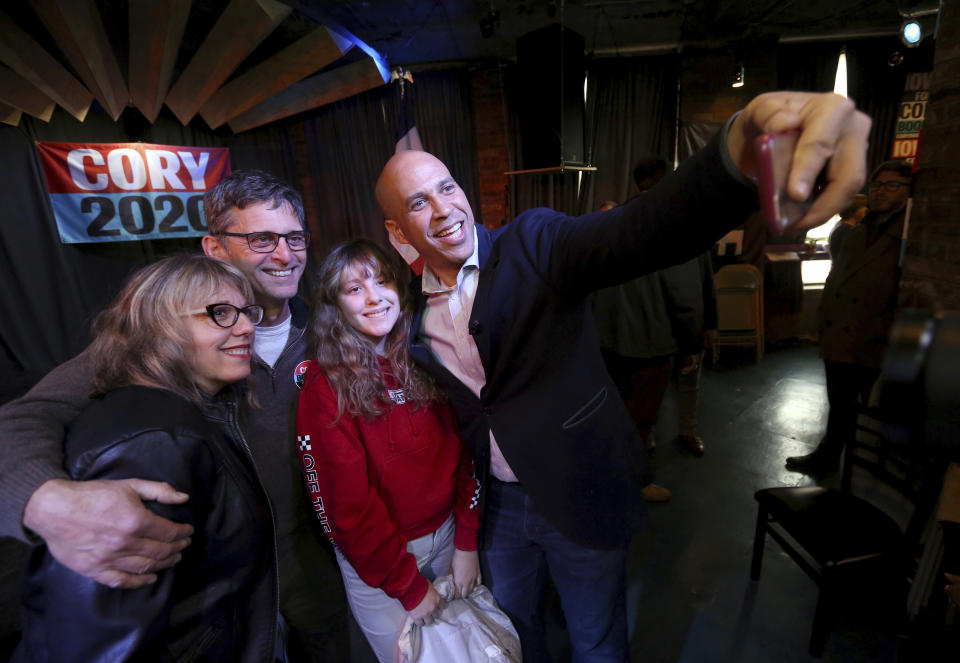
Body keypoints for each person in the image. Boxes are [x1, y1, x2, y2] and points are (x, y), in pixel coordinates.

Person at [376, 92, 870, 660]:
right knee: (512, 638)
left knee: (597, 642)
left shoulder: (534, 244)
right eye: (419, 203)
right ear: (397, 231)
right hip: (499, 513)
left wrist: (737, 154)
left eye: (447, 187)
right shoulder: (408, 313)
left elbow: (642, 230)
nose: (442, 209)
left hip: (579, 494)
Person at [0, 170, 351, 661]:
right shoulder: (154, 348)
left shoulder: (332, 332)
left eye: (294, 238)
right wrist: (43, 501)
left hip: (319, 574)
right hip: (222, 588)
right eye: (261, 238)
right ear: (215, 246)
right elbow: (23, 418)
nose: (284, 254)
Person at [13, 255, 280, 662]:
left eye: (246, 312)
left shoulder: (190, 409)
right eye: (220, 314)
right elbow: (100, 645)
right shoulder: (155, 441)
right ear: (159, 330)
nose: (246, 326)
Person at [296, 239, 480, 662]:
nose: (374, 297)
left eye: (381, 282)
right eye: (354, 288)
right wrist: (408, 587)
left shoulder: (424, 360)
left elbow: (467, 455)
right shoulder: (327, 387)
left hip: (450, 536)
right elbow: (349, 509)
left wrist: (467, 542)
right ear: (335, 305)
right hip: (384, 563)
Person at [786, 160, 913, 475]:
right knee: (839, 405)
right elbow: (840, 276)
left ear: (910, 192)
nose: (881, 191)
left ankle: (862, 466)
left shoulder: (908, 235)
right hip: (841, 332)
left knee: (868, 408)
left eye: (892, 185)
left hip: (873, 336)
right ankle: (829, 456)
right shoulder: (862, 228)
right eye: (877, 184)